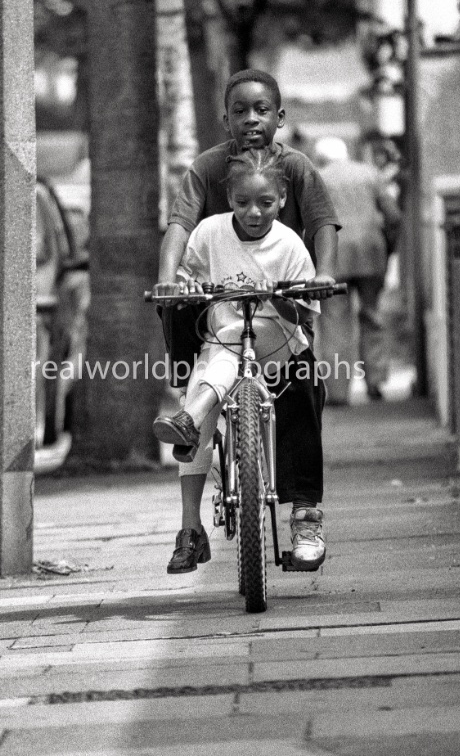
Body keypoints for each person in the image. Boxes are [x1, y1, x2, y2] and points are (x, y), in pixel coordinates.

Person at [153, 68, 340, 575]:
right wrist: (170, 281)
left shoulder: (296, 170)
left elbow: (323, 222)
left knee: (303, 388)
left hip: (282, 308)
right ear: (225, 119)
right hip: (220, 312)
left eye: (262, 110)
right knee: (198, 394)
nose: (251, 120)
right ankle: (190, 528)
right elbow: (180, 227)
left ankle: (305, 512)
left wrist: (321, 276)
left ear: (280, 117)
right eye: (240, 111)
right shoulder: (207, 171)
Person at [314, 136, 402, 404]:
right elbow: (393, 216)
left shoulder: (318, 178)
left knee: (333, 322)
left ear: (321, 158)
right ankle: (375, 381)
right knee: (372, 315)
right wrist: (388, 246)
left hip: (332, 257)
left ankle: (338, 391)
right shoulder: (369, 174)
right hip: (371, 254)